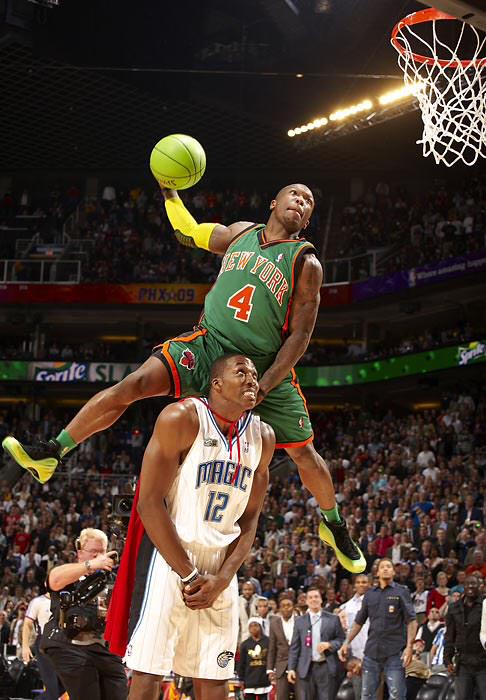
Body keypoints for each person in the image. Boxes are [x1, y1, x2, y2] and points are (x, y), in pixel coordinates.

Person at [3, 183, 364, 575]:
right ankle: (54, 451)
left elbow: (301, 335)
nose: (301, 202)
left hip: (258, 366)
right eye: (295, 195)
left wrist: (268, 381)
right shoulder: (240, 233)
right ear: (274, 202)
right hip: (208, 345)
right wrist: (170, 194)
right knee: (134, 384)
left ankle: (333, 524)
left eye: (309, 201)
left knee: (304, 454)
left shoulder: (305, 263)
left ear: (308, 219)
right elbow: (188, 231)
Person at [125, 355, 275, 700]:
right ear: (216, 384)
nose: (252, 379)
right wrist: (190, 575)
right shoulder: (182, 418)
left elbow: (250, 519)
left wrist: (222, 579)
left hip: (221, 567)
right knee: (148, 672)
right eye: (241, 372)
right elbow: (149, 503)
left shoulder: (263, 436)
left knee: (214, 676)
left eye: (254, 374)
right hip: (171, 557)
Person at [40, 527, 127, 700]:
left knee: (119, 690)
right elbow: (53, 580)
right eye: (93, 552)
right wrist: (91, 565)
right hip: (68, 644)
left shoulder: (111, 579)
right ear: (80, 553)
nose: (99, 557)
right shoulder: (70, 574)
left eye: (102, 552)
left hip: (103, 647)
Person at [338, 558, 417, 700]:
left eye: (388, 567)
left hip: (394, 652)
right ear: (377, 572)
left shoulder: (401, 591)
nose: (385, 569)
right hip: (372, 652)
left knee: (397, 695)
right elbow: (358, 622)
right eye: (382, 567)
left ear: (393, 572)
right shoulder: (369, 594)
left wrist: (409, 646)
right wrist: (346, 642)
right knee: (367, 695)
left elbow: (412, 621)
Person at [287, 587, 344, 700]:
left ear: (321, 600)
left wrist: (329, 645)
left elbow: (341, 639)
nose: (313, 599)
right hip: (306, 668)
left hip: (326, 666)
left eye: (316, 597)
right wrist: (291, 668)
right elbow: (294, 647)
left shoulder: (333, 619)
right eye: (310, 597)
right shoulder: (299, 621)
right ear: (307, 601)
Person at [444, 575, 486, 700]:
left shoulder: (485, 606)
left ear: (480, 586)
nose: (470, 587)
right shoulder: (454, 607)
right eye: (468, 584)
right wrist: (447, 659)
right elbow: (450, 635)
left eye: (474, 584)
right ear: (463, 586)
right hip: (462, 662)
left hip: (483, 662)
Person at [22, 591, 64, 700]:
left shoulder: (65, 599)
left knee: (65, 687)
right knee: (53, 691)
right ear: (47, 584)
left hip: (62, 645)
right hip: (44, 644)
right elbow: (27, 624)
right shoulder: (37, 601)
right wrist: (25, 647)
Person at [337, 574, 370, 700]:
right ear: (354, 585)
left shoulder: (376, 604)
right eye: (358, 582)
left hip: (373, 657)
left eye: (364, 582)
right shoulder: (346, 607)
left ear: (369, 584)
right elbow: (343, 634)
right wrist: (349, 661)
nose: (361, 584)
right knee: (358, 695)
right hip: (355, 659)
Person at [267, 595, 300, 700]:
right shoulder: (274, 624)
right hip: (281, 665)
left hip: (299, 665)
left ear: (293, 607)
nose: (286, 608)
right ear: (279, 608)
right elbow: (272, 647)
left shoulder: (301, 621)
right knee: (281, 697)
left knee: (302, 696)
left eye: (288, 605)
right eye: (283, 606)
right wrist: (270, 669)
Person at [238, 618, 272, 700]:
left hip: (264, 681)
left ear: (260, 627)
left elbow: (271, 659)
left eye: (256, 625)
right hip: (249, 681)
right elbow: (241, 663)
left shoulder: (268, 642)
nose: (253, 628)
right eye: (251, 626)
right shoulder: (245, 644)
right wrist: (241, 679)